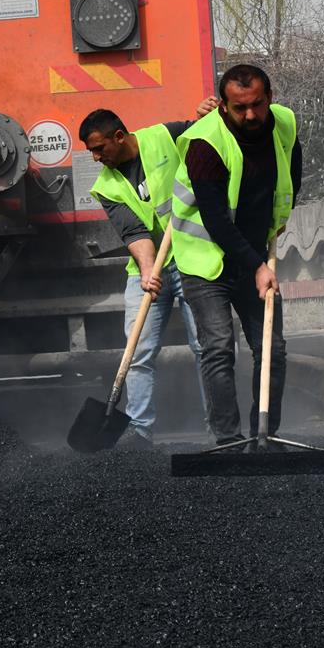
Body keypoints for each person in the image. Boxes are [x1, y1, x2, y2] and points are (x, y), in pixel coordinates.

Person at [171, 64, 302, 446]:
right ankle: (229, 439)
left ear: (270, 98)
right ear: (223, 106)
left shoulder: (284, 123)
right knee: (218, 346)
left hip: (255, 253)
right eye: (239, 107)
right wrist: (257, 265)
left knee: (272, 348)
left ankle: (266, 435)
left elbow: (293, 170)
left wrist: (280, 218)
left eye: (257, 105)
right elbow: (214, 219)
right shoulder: (203, 144)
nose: (250, 115)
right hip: (204, 259)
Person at [78, 97, 217, 444]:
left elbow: (207, 138)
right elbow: (133, 232)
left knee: (204, 346)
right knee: (137, 352)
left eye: (98, 148)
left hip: (191, 258)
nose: (96, 157)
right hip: (148, 267)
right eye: (91, 151)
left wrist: (206, 117)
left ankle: (218, 425)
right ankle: (140, 430)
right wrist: (147, 270)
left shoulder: (164, 136)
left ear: (119, 136)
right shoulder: (105, 185)